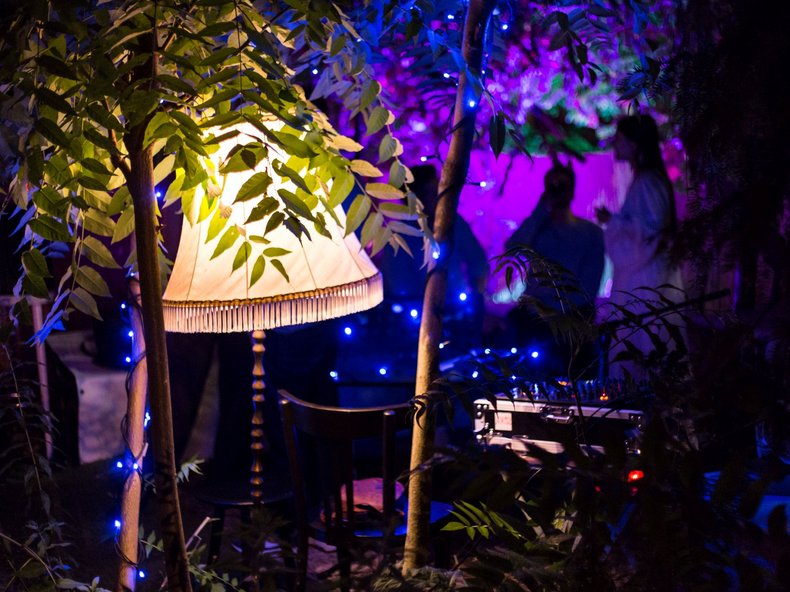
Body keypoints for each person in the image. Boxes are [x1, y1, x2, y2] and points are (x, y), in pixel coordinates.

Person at [595, 113, 684, 379]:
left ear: (634, 144)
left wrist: (613, 223)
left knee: (644, 347)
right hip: (645, 278)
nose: (615, 144)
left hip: (646, 282)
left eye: (620, 139)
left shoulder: (648, 182)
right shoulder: (647, 180)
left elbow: (651, 233)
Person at [505, 160, 605, 377]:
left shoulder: (591, 233)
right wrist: (540, 210)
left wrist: (560, 309)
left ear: (572, 190)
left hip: (572, 323)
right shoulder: (537, 230)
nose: (557, 189)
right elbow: (511, 250)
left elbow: (590, 284)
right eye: (552, 185)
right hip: (536, 322)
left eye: (562, 185)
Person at [374, 164, 490, 351]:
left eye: (437, 191)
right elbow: (395, 280)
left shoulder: (455, 224)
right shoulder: (398, 233)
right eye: (429, 192)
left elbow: (479, 264)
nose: (436, 198)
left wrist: (475, 303)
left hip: (454, 315)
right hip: (410, 321)